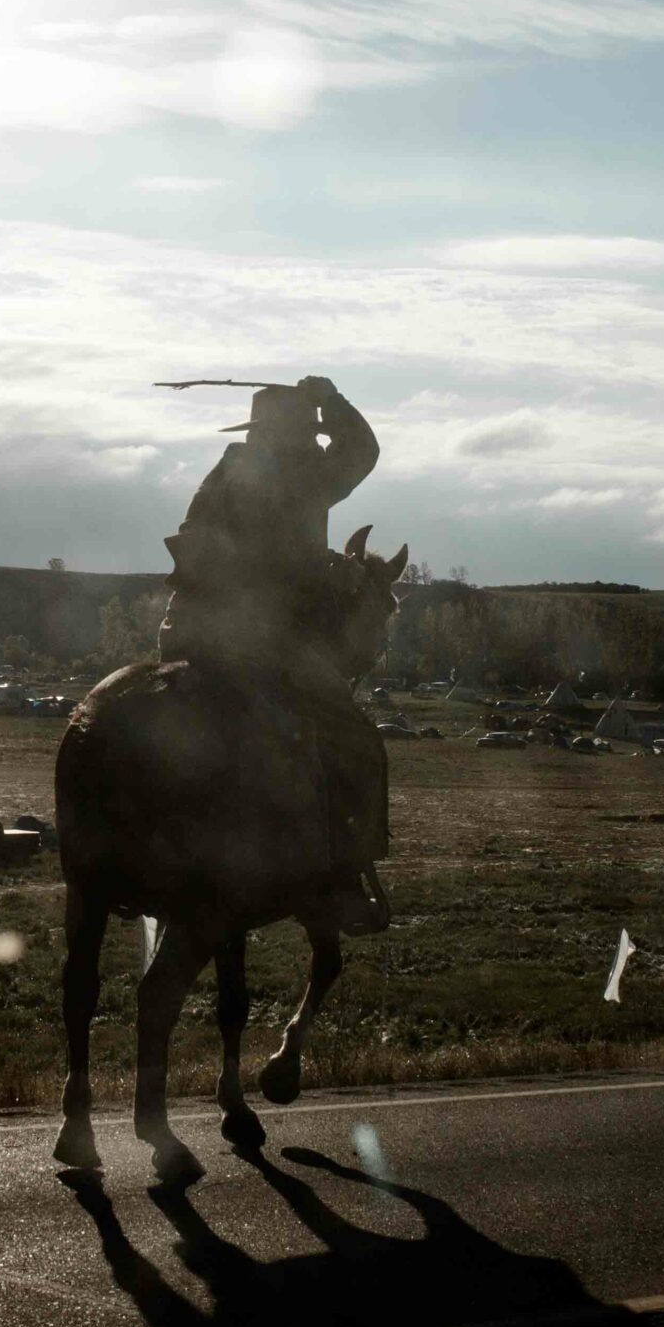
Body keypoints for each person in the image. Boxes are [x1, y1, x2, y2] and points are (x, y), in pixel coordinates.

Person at [159, 376, 390, 933]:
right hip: (263, 639)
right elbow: (363, 451)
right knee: (354, 739)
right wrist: (332, 400)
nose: (316, 443)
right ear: (292, 435)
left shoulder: (222, 475)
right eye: (309, 433)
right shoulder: (306, 476)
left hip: (185, 631)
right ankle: (345, 875)